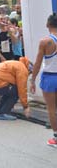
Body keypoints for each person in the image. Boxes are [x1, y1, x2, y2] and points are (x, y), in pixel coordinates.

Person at [31, 13, 57, 147]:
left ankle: (56, 137)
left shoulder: (46, 42)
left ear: (48, 25)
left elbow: (37, 62)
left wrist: (32, 79)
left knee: (51, 109)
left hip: (50, 77)